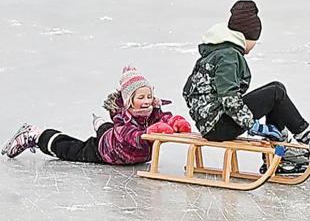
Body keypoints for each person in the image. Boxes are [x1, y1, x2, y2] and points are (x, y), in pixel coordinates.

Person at [182, 0, 310, 173]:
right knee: (275, 92)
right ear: (246, 37)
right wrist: (253, 125)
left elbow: (189, 91)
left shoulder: (216, 53)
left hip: (212, 123)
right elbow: (228, 98)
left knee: (275, 91)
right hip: (218, 126)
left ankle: (281, 152)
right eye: (255, 39)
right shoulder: (228, 57)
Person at [3, 67, 191, 165]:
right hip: (106, 151)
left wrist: (174, 122)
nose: (146, 101)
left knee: (105, 129)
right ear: (128, 101)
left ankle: (100, 125)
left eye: (149, 96)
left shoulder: (152, 112)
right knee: (70, 149)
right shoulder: (124, 119)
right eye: (141, 97)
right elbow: (130, 135)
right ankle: (36, 134)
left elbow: (163, 118)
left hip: (127, 154)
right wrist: (151, 130)